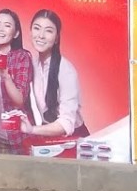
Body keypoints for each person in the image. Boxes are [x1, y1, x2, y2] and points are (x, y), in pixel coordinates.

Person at [20, 9, 89, 142]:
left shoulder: (66, 70)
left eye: (49, 31)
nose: (41, 35)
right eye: (37, 28)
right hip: (47, 135)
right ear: (30, 32)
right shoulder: (32, 64)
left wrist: (32, 129)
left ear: (57, 38)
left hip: (73, 139)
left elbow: (66, 124)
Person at [0, 9, 33, 154]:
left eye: (7, 25)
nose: (0, 29)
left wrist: (6, 76)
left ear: (16, 33)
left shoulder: (22, 57)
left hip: (19, 137)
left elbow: (19, 100)